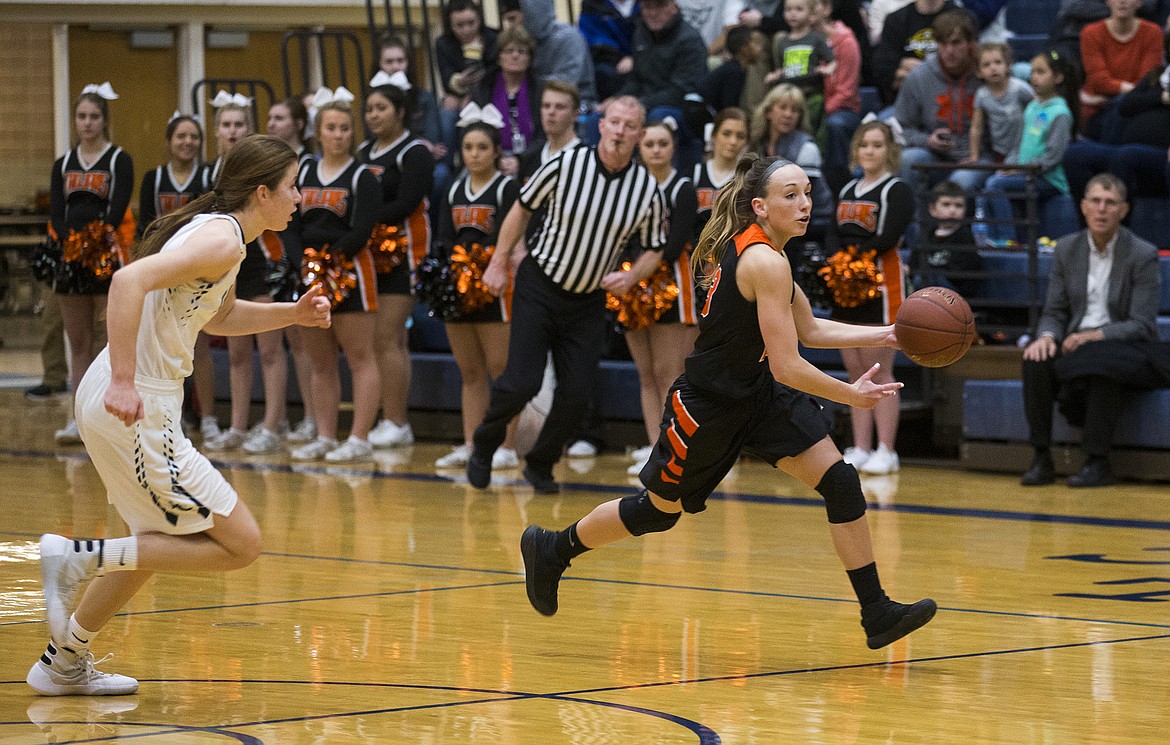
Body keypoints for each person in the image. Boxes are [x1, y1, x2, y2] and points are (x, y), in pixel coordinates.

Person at [517, 155, 937, 652]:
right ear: (759, 206)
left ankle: (876, 613)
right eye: (790, 195)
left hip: (757, 393)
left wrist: (889, 335)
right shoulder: (764, 262)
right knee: (657, 512)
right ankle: (553, 548)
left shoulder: (770, 253)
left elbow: (809, 329)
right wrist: (850, 395)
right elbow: (789, 364)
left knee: (841, 483)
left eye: (806, 193)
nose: (804, 204)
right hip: (710, 407)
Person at [25, 134, 332, 697]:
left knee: (151, 540)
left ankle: (62, 662)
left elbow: (220, 316)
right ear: (262, 192)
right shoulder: (219, 238)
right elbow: (126, 281)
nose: (300, 197)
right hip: (137, 399)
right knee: (241, 543)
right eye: (293, 187)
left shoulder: (226, 237)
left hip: (122, 395)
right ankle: (73, 557)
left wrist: (294, 314)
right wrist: (123, 378)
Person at [466, 96, 666, 493]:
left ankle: (540, 463)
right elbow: (522, 209)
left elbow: (655, 248)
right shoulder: (565, 164)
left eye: (630, 126)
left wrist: (630, 279)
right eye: (615, 122)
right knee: (521, 383)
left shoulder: (647, 190)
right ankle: (485, 443)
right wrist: (498, 260)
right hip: (539, 287)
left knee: (575, 395)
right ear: (602, 125)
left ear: (640, 136)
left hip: (587, 302)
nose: (621, 131)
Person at [1019, 173, 1161, 488]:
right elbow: (1054, 311)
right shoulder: (1066, 249)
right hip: (1074, 345)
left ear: (1123, 210)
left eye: (1110, 203)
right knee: (1035, 359)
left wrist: (1093, 336)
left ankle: (1098, 462)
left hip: (1121, 346)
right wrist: (1046, 336)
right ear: (1083, 207)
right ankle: (1041, 458)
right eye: (1095, 201)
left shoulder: (1142, 254)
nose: (1102, 209)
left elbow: (1142, 323)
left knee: (1103, 366)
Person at [289, 94, 382, 463]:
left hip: (351, 272)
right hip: (310, 275)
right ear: (318, 132)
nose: (338, 135)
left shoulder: (363, 177)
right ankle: (326, 435)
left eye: (345, 128)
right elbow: (290, 226)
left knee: (360, 357)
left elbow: (363, 229)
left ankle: (359, 438)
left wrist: (331, 260)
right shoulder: (303, 172)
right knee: (320, 361)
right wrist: (304, 264)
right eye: (331, 128)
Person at [432, 108, 523, 470]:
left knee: (501, 369)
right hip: (459, 286)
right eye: (468, 146)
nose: (474, 154)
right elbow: (443, 238)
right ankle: (472, 443)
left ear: (496, 151)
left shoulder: (506, 187)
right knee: (470, 371)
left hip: (496, 284)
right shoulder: (453, 188)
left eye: (482, 147)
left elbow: (512, 235)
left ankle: (506, 445)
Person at [202, 95, 292, 455]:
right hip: (230, 260)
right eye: (226, 124)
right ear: (217, 130)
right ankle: (238, 425)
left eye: (240, 124)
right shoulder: (212, 171)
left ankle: (273, 423)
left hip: (262, 259)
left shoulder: (262, 168)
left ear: (249, 129)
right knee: (237, 347)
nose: (233, 130)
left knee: (269, 347)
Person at [49, 83, 134, 446]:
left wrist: (94, 243)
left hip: (105, 257)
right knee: (78, 342)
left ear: (104, 120)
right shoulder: (63, 164)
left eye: (94, 116)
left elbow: (117, 210)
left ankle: (109, 418)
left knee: (107, 340)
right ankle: (78, 418)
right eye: (82, 116)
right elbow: (57, 211)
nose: (87, 123)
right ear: (75, 121)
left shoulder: (118, 160)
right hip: (70, 260)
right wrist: (72, 244)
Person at [828, 121, 914, 475]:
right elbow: (834, 232)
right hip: (846, 285)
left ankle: (887, 449)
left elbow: (889, 237)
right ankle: (861, 446)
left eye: (878, 145)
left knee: (880, 371)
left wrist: (856, 259)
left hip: (881, 284)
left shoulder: (897, 189)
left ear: (889, 150)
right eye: (864, 145)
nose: (870, 151)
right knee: (855, 371)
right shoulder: (848, 187)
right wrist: (839, 263)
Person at [359, 82, 435, 449]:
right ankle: (392, 419)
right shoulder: (362, 151)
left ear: (400, 112)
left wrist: (360, 220)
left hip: (405, 255)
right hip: (369, 257)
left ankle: (396, 420)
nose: (374, 115)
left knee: (386, 339)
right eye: (370, 108)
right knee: (387, 342)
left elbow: (407, 203)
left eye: (382, 108)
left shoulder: (415, 152)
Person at [622, 118, 700, 476]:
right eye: (649, 143)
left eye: (662, 143)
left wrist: (643, 270)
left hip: (672, 282)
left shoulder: (683, 186)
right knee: (646, 373)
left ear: (673, 148)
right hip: (633, 284)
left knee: (670, 373)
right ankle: (655, 443)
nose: (655, 149)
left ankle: (677, 445)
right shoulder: (627, 184)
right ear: (640, 147)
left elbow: (677, 241)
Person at [137, 113, 213, 438]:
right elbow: (144, 228)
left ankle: (207, 417)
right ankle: (169, 415)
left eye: (193, 136)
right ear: (169, 141)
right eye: (181, 136)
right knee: (164, 344)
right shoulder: (154, 179)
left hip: (199, 269)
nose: (187, 142)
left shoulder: (209, 177)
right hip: (163, 270)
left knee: (201, 344)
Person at [266, 97, 320, 447]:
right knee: (274, 342)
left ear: (299, 123)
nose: (272, 124)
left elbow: (304, 216)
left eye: (280, 117)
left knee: (303, 344)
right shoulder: (266, 162)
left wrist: (299, 260)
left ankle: (314, 418)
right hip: (267, 256)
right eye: (269, 118)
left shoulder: (310, 164)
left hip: (296, 255)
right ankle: (279, 418)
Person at [983, 50, 1077, 243]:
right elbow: (1017, 144)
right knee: (996, 181)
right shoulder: (1033, 107)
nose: (1034, 77)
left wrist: (1021, 170)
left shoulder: (1060, 112)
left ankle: (1006, 240)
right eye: (1033, 72)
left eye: (1041, 72)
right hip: (1025, 174)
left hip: (1048, 180)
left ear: (1058, 77)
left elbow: (1053, 156)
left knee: (995, 186)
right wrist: (1010, 166)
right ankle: (1000, 239)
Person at [894, 8, 985, 192]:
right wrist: (928, 140)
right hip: (935, 156)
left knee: (961, 182)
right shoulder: (918, 77)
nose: (949, 51)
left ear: (971, 44)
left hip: (979, 157)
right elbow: (900, 128)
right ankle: (915, 221)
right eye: (942, 44)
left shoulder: (986, 72)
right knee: (908, 159)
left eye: (956, 43)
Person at [750, 85, 834, 246]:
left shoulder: (807, 148)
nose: (788, 114)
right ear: (768, 111)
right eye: (782, 107)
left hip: (811, 221)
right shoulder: (756, 145)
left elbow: (800, 198)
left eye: (795, 110)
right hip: (773, 217)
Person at [1078, 0, 1162, 143]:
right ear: (1108, 2)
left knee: (1122, 103)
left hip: (1133, 109)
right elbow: (1099, 81)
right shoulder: (1090, 33)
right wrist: (1132, 94)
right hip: (1098, 112)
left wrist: (1112, 98)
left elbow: (1147, 81)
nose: (1122, 2)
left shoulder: (1153, 32)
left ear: (1139, 2)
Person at [470, 25, 544, 174]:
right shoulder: (484, 88)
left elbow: (544, 135)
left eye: (522, 51)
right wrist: (497, 159)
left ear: (529, 59)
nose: (515, 56)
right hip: (492, 160)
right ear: (499, 58)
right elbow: (478, 131)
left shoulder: (540, 89)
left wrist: (520, 159)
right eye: (509, 51)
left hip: (534, 160)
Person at [503, 0, 598, 113]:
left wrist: (520, 86)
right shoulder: (522, 43)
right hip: (533, 105)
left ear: (531, 14)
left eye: (512, 19)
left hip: (577, 105)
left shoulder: (568, 38)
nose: (510, 26)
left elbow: (564, 84)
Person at [764, 0, 835, 136]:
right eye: (788, 10)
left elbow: (831, 61)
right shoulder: (782, 41)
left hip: (810, 93)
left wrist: (828, 69)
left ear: (811, 14)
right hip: (789, 94)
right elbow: (780, 68)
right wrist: (774, 75)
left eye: (798, 9)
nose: (793, 14)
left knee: (810, 128)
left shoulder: (816, 39)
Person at [814, 0, 863, 195]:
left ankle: (839, 190)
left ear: (826, 8)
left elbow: (847, 92)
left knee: (835, 125)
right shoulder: (799, 40)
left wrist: (819, 114)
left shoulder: (845, 41)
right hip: (812, 105)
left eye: (810, 5)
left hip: (844, 110)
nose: (800, 13)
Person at [872, 0, 957, 106]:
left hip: (953, 100)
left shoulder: (960, 17)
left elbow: (966, 66)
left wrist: (908, 68)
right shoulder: (896, 19)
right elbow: (883, 72)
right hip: (905, 102)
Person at [910, 180, 981, 296]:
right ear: (932, 209)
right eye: (946, 204)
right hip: (925, 288)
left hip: (953, 294)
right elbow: (913, 264)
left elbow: (960, 276)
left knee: (926, 277)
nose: (952, 211)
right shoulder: (927, 234)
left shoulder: (965, 236)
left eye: (959, 205)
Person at [967, 43, 1033, 166]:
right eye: (986, 65)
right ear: (979, 72)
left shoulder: (1019, 89)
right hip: (999, 150)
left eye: (998, 62)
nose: (993, 68)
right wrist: (974, 155)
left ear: (1008, 65)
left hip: (1023, 147)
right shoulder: (982, 95)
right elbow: (976, 127)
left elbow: (1040, 109)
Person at [578, 0, 639, 101]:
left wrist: (635, 57)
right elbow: (594, 40)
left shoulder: (646, 5)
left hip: (646, 60)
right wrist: (620, 57)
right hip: (609, 65)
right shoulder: (592, 5)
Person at [700, 25, 762, 114]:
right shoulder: (734, 72)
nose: (760, 48)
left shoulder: (736, 69)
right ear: (744, 49)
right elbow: (729, 107)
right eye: (755, 43)